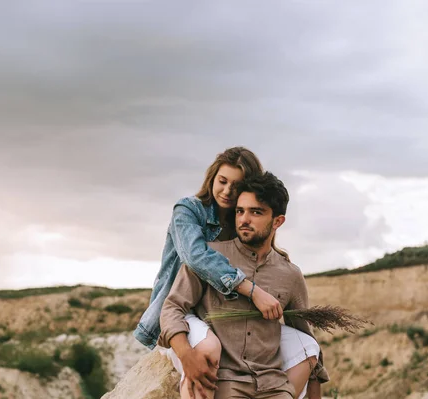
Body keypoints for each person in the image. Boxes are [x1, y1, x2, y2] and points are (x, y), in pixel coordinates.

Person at [133, 147, 325, 398]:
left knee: (308, 346)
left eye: (236, 187)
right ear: (212, 178)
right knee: (209, 348)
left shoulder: (243, 230)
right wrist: (252, 290)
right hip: (181, 311)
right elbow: (197, 257)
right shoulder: (189, 210)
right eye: (222, 181)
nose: (227, 192)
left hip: (221, 318)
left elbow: (256, 247)